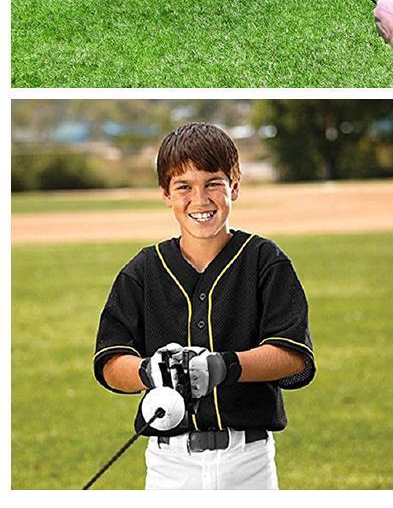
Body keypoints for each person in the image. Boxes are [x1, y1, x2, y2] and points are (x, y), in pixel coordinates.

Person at [93, 122, 315, 490]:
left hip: (248, 461)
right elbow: (110, 362)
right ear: (166, 194)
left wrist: (221, 366)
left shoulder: (265, 260)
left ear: (234, 187)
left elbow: (294, 358)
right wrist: (150, 371)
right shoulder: (143, 270)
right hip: (170, 464)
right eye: (184, 186)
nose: (200, 199)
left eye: (213, 183)